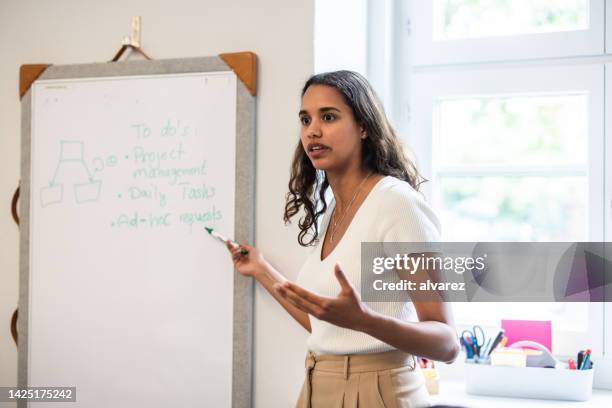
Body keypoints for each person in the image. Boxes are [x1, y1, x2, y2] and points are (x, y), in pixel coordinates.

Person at [226, 70, 459, 408]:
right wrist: (261, 269)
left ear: (364, 126)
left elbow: (447, 342)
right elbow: (323, 323)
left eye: (329, 117)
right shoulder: (336, 208)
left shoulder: (395, 203)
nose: (312, 130)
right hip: (318, 385)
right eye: (305, 119)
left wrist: (364, 320)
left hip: (380, 392)